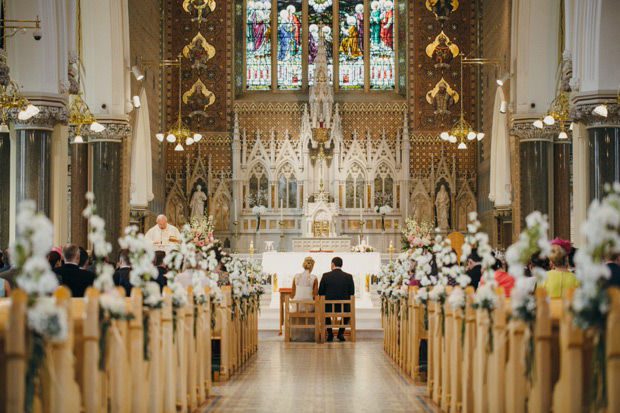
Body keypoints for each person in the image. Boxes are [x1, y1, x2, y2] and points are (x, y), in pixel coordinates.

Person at [318, 256, 355, 342]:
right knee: (347, 310)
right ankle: (340, 333)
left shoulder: (326, 276)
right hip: (344, 307)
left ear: (332, 264)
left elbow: (321, 292)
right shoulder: (348, 276)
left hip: (329, 307)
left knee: (325, 309)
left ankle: (330, 333)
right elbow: (352, 293)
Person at [290, 257, 318, 342]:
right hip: (308, 306)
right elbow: (315, 295)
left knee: (296, 306)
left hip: (296, 305)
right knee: (312, 306)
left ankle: (295, 335)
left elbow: (292, 294)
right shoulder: (314, 278)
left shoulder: (296, 277)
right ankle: (309, 335)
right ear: (312, 266)